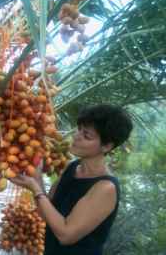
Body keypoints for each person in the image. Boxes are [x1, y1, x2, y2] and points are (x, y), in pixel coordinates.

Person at [10, 104, 133, 255]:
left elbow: (66, 235)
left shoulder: (106, 187)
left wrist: (35, 188)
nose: (76, 136)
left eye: (86, 135)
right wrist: (36, 175)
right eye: (79, 129)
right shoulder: (72, 168)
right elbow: (46, 214)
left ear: (106, 146)